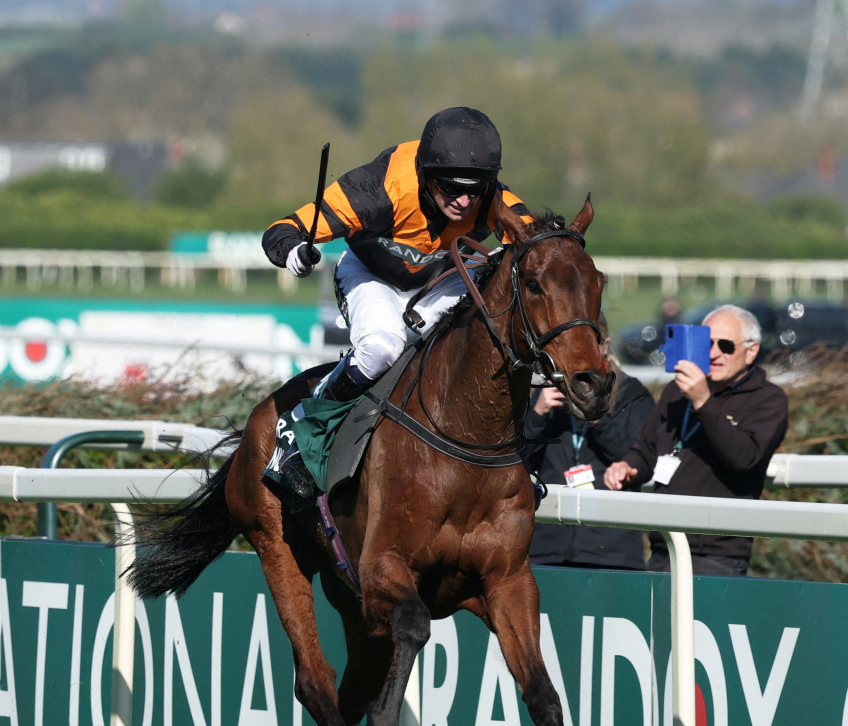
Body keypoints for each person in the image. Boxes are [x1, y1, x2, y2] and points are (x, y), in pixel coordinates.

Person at [261, 106, 534, 498]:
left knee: (496, 293)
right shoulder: (377, 189)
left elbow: (533, 240)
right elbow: (284, 229)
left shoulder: (489, 195)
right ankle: (302, 425)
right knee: (381, 348)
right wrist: (293, 251)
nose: (463, 201)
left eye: (474, 190)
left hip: (439, 277)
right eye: (450, 188)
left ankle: (508, 452)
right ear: (425, 174)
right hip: (370, 274)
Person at [603, 304, 789, 576]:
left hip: (717, 554)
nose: (713, 353)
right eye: (707, 343)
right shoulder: (677, 391)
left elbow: (744, 458)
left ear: (751, 351)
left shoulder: (768, 399)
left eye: (726, 346)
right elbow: (646, 450)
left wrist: (703, 401)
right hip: (664, 546)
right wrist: (628, 468)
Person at [524, 315, 655, 570]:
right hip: (548, 546)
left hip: (610, 549)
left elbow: (636, 457)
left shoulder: (632, 395)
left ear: (605, 346)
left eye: (589, 344)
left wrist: (594, 414)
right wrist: (537, 414)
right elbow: (519, 460)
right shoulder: (546, 394)